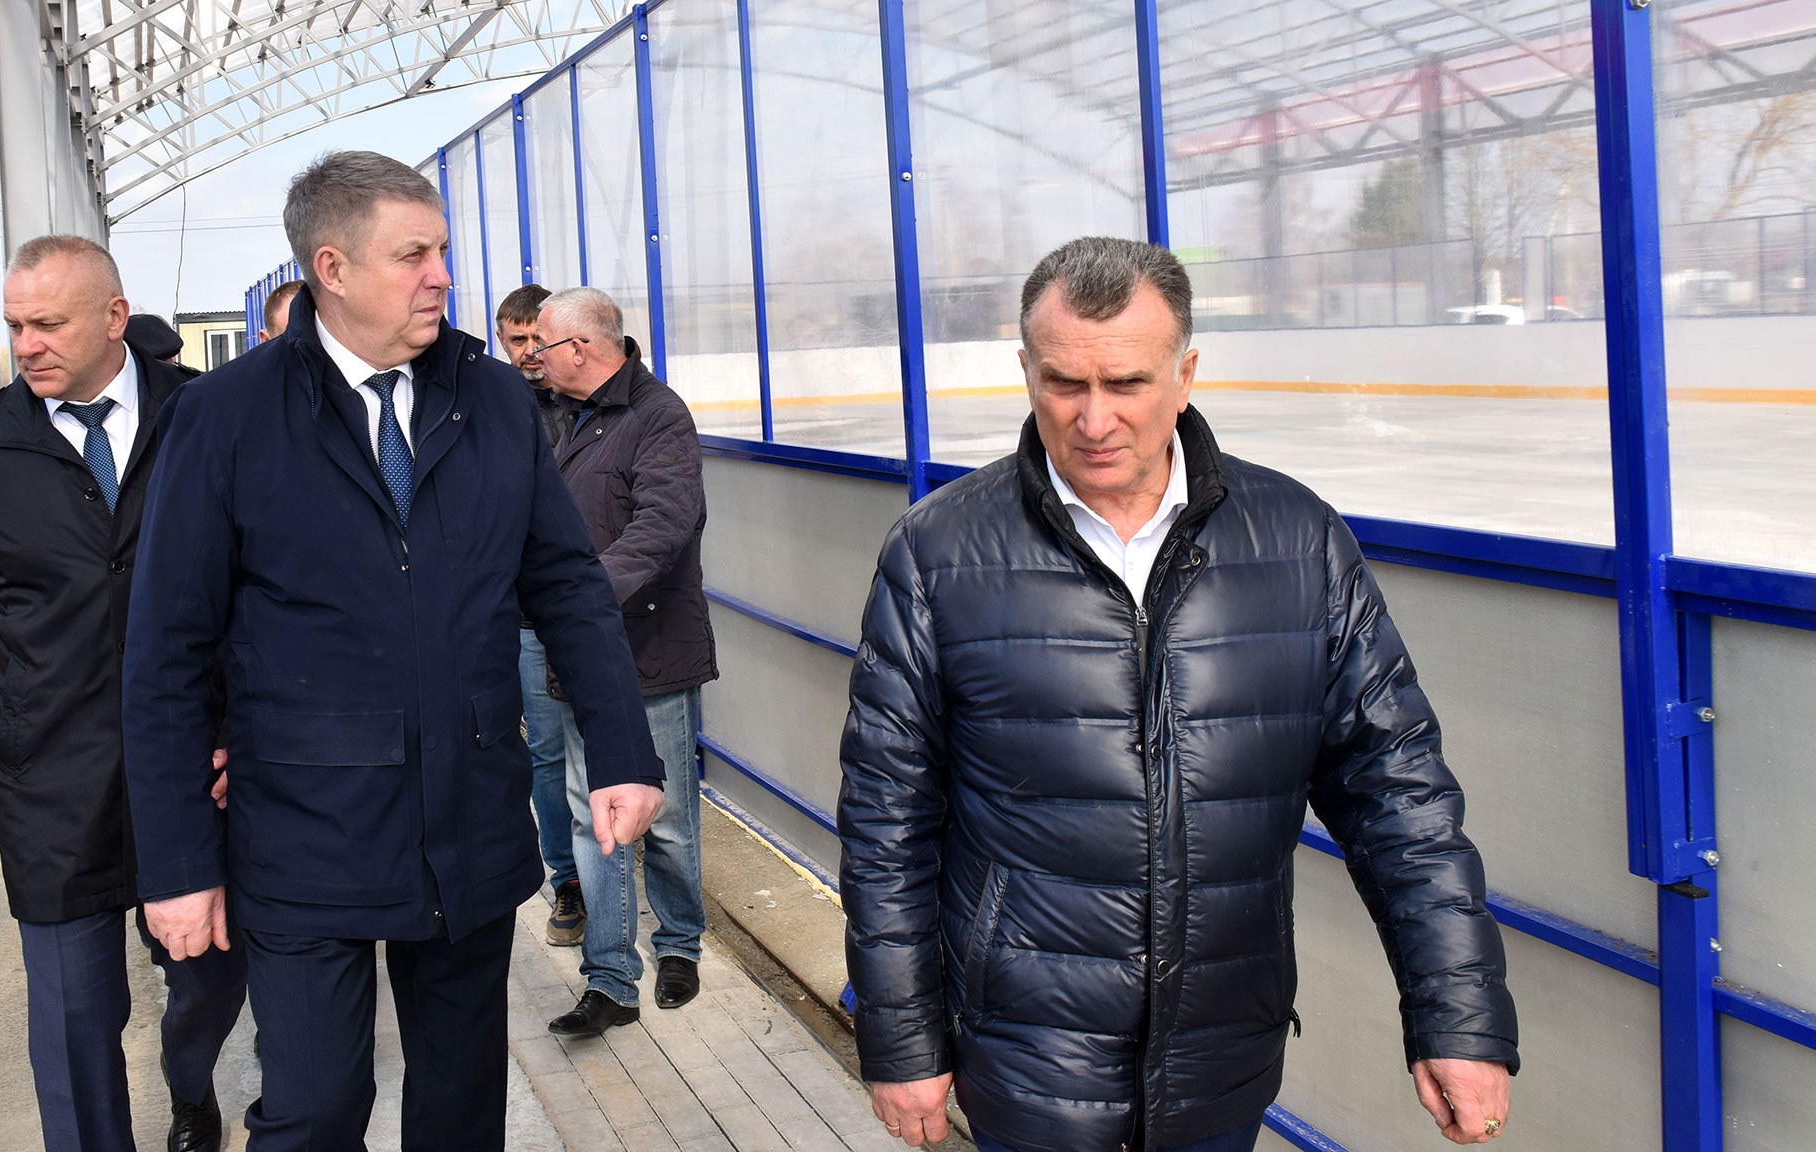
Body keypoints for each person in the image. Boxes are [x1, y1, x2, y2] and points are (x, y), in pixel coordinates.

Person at [838, 237, 1519, 1152]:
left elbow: (1399, 796)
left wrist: (1457, 1019)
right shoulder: (937, 552)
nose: (1094, 419)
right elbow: (887, 819)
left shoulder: (1299, 542)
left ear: (1185, 374)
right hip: (1026, 1056)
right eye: (1064, 384)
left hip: (1222, 1054)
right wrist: (901, 1040)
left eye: (1127, 383)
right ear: (1026, 372)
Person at [121, 151, 666, 1149]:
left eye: (443, 250)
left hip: (469, 820)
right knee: (317, 1110)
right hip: (301, 838)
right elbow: (166, 652)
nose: (442, 276)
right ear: (331, 269)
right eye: (413, 255)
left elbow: (567, 587)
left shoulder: (493, 401)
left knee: (460, 1112)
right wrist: (177, 862)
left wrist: (624, 752)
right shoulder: (226, 416)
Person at [0, 235, 248, 1152]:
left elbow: (266, 596)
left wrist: (248, 733)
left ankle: (191, 1085)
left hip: (196, 769)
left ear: (114, 317)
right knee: (73, 1017)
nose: (26, 345)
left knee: (212, 979)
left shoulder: (206, 416)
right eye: (15, 326)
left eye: (48, 324)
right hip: (51, 779)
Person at [529, 288, 717, 1038]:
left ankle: (678, 944)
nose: (533, 357)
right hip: (576, 653)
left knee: (664, 818)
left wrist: (579, 596)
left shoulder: (658, 416)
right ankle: (609, 978)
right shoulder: (556, 416)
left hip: (648, 651)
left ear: (581, 348)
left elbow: (664, 526)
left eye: (543, 344)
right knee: (591, 817)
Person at [494, 281, 585, 946]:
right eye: (516, 340)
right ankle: (568, 881)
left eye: (536, 339)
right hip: (527, 617)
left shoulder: (588, 403)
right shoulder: (493, 405)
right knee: (548, 753)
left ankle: (609, 875)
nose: (528, 351)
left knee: (598, 749)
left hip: (592, 604)